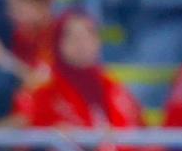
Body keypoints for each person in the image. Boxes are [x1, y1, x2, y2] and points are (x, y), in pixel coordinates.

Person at [15, 10, 144, 132]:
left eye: (88, 35)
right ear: (57, 43)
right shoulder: (43, 88)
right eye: (72, 37)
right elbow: (26, 130)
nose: (81, 43)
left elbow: (141, 132)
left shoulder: (115, 89)